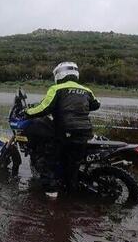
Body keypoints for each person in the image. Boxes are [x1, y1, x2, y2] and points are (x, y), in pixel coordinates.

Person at [23, 61, 100, 197]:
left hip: (65, 132)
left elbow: (43, 108)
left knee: (48, 159)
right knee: (73, 164)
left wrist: (27, 112)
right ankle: (71, 192)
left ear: (59, 74)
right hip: (85, 133)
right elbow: (96, 105)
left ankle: (51, 191)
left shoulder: (56, 89)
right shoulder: (86, 90)